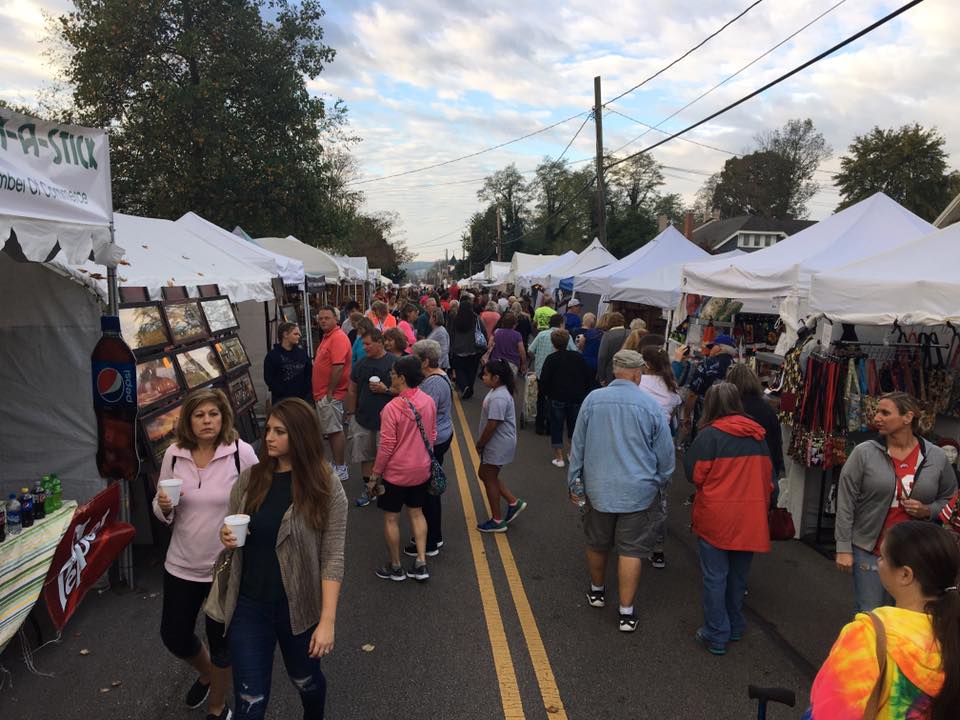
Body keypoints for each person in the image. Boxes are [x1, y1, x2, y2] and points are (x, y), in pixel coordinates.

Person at [217, 399, 347, 720]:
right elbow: (232, 530)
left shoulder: (325, 486)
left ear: (300, 436)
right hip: (248, 606)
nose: (269, 438)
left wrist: (327, 621)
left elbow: (332, 556)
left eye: (279, 432)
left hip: (299, 609)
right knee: (250, 700)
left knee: (306, 681)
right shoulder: (250, 480)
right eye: (268, 430)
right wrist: (226, 537)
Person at [153, 389, 258, 720]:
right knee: (174, 635)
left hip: (224, 567)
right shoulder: (173, 454)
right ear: (188, 420)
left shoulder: (241, 453)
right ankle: (208, 673)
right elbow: (160, 507)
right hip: (182, 563)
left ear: (223, 416)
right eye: (199, 415)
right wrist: (164, 506)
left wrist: (250, 527)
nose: (207, 421)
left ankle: (217, 705)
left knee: (222, 644)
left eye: (213, 414)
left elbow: (260, 499)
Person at [803, 522, 960, 720]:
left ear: (905, 574)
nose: (878, 562)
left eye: (883, 557)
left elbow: (828, 713)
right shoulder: (951, 630)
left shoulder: (868, 635)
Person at [567, 349, 675, 632]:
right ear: (638, 374)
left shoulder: (593, 400)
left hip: (598, 487)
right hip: (638, 490)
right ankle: (626, 612)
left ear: (615, 371)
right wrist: (661, 482)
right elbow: (665, 455)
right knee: (631, 550)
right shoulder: (650, 406)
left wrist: (574, 481)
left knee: (597, 542)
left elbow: (577, 445)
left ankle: (597, 591)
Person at [835, 392, 957, 612]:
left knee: (910, 615)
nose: (876, 417)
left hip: (916, 554)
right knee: (871, 613)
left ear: (907, 417)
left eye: (885, 412)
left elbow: (951, 498)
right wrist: (843, 547)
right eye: (876, 411)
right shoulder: (864, 453)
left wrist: (927, 510)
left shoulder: (935, 456)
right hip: (871, 550)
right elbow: (845, 501)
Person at [683, 382, 772, 655]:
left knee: (715, 576)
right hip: (750, 517)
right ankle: (734, 623)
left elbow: (694, 475)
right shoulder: (758, 436)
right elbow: (768, 478)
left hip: (716, 516)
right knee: (738, 577)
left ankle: (716, 632)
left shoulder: (709, 437)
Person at [369, 355, 437, 581]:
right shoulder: (428, 401)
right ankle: (421, 562)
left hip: (396, 473)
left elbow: (386, 446)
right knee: (417, 514)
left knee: (391, 518)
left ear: (402, 378)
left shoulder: (391, 408)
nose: (390, 375)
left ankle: (396, 566)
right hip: (422, 469)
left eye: (393, 373)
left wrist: (375, 474)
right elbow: (433, 435)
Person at [637, 345, 682, 569]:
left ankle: (631, 541)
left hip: (639, 444)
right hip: (661, 448)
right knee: (660, 500)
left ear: (645, 365)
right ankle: (658, 549)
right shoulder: (672, 389)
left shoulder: (638, 384)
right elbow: (671, 419)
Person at [409, 340, 454, 557]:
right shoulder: (437, 376)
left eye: (416, 359)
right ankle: (430, 535)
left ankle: (431, 539)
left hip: (434, 440)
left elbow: (425, 415)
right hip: (441, 435)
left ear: (425, 361)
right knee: (429, 489)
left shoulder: (433, 383)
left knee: (428, 491)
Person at [346, 329, 397, 508]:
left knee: (388, 459)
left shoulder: (394, 363)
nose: (364, 347)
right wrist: (351, 415)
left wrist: (386, 390)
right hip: (363, 420)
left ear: (380, 342)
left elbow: (404, 392)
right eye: (363, 344)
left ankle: (389, 492)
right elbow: (352, 389)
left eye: (368, 344)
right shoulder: (361, 364)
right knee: (366, 457)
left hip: (388, 423)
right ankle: (370, 491)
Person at [475, 359, 527, 533]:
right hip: (498, 443)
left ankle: (497, 520)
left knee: (488, 477)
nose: (483, 376)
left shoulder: (498, 397)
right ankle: (513, 502)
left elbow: (492, 424)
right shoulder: (498, 391)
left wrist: (481, 443)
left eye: (486, 374)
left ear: (496, 377)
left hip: (497, 443)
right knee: (486, 474)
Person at [725, 363, 785, 503]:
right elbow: (776, 447)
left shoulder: (728, 407)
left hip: (732, 476)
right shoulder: (768, 410)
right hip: (761, 475)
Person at [538, 328, 594, 468]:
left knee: (556, 426)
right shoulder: (578, 357)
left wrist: (545, 393)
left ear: (553, 343)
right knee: (573, 426)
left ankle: (559, 457)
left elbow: (544, 379)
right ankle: (571, 453)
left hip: (557, 396)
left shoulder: (551, 359)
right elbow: (587, 376)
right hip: (576, 397)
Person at [312, 305, 352, 484]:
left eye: (327, 318)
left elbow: (338, 366)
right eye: (320, 318)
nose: (323, 321)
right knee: (331, 430)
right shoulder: (328, 336)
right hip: (324, 394)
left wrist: (329, 393)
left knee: (335, 431)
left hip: (331, 395)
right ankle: (338, 464)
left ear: (336, 319)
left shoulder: (337, 338)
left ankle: (341, 467)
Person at [528, 313, 577, 434]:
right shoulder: (566, 336)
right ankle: (551, 426)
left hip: (541, 372)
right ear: (561, 323)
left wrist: (538, 357)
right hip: (559, 373)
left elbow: (530, 350)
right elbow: (574, 351)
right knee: (554, 399)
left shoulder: (541, 334)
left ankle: (539, 425)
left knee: (541, 398)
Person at [680, 333, 738, 435]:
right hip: (731, 419)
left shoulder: (706, 364)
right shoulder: (738, 368)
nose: (710, 350)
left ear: (719, 348)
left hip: (706, 416)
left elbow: (693, 393)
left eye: (712, 347)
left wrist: (686, 416)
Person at [263, 322, 312, 405]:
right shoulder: (272, 356)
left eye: (299, 334)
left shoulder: (302, 353)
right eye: (295, 334)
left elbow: (309, 373)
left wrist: (304, 393)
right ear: (285, 334)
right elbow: (269, 378)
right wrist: (283, 393)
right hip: (281, 401)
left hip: (301, 400)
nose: (299, 336)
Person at [449, 296, 483, 400]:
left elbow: (451, 334)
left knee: (459, 370)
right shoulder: (476, 318)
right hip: (473, 349)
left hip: (459, 350)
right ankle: (469, 388)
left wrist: (451, 348)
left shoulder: (456, 319)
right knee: (472, 371)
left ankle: (465, 386)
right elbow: (482, 331)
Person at [596, 312, 628, 386]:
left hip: (611, 374)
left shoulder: (607, 336)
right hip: (628, 372)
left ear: (609, 322)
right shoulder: (631, 333)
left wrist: (601, 377)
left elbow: (602, 357)